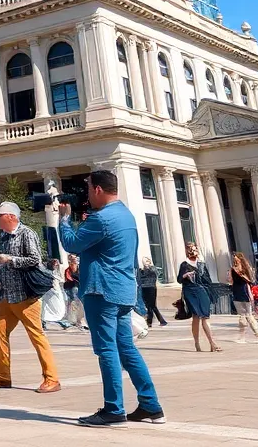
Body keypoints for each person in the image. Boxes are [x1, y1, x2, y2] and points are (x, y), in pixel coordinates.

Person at [57, 169, 163, 427]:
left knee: (107, 350)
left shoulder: (101, 219)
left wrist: (63, 219)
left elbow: (71, 244)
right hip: (124, 290)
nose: (87, 196)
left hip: (102, 290)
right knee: (126, 348)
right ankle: (151, 405)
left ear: (97, 190)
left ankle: (114, 409)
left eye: (89, 189)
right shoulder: (126, 215)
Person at [0, 201, 61, 393]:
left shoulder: (26, 233)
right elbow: (0, 264)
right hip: (6, 295)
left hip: (25, 296)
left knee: (36, 335)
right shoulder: (3, 237)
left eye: (0, 216)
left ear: (12, 217)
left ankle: (52, 378)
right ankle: (2, 376)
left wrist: (11, 259)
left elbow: (35, 259)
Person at [179, 242, 221, 352]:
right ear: (187, 251)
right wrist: (186, 275)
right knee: (196, 317)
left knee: (205, 317)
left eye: (195, 250)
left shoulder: (201, 264)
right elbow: (179, 279)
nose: (194, 252)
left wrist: (211, 293)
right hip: (190, 292)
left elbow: (208, 280)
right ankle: (197, 343)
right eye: (191, 250)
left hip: (202, 291)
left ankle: (212, 343)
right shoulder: (184, 264)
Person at [229, 252, 258, 344]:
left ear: (239, 258)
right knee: (242, 316)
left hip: (244, 291)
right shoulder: (233, 269)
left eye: (235, 257)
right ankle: (242, 337)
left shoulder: (244, 269)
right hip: (237, 291)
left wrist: (241, 274)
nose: (234, 259)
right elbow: (231, 280)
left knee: (248, 315)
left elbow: (249, 280)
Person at [40, 258, 70, 330]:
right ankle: (44, 322)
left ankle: (61, 322)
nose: (56, 265)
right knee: (48, 309)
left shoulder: (56, 272)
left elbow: (61, 281)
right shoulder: (46, 272)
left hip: (56, 292)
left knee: (59, 308)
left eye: (57, 264)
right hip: (48, 293)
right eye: (54, 264)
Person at [137, 258, 167, 327]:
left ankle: (161, 321)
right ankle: (149, 322)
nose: (145, 263)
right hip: (144, 289)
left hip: (151, 288)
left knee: (153, 305)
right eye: (144, 261)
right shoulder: (141, 271)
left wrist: (148, 268)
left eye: (147, 261)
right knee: (148, 306)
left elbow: (154, 274)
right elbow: (140, 277)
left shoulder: (153, 269)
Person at [64, 254, 87, 329]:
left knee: (79, 304)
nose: (75, 260)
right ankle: (77, 321)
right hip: (73, 287)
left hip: (78, 287)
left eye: (75, 258)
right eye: (73, 259)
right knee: (76, 304)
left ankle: (79, 321)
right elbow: (68, 279)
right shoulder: (68, 269)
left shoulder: (80, 268)